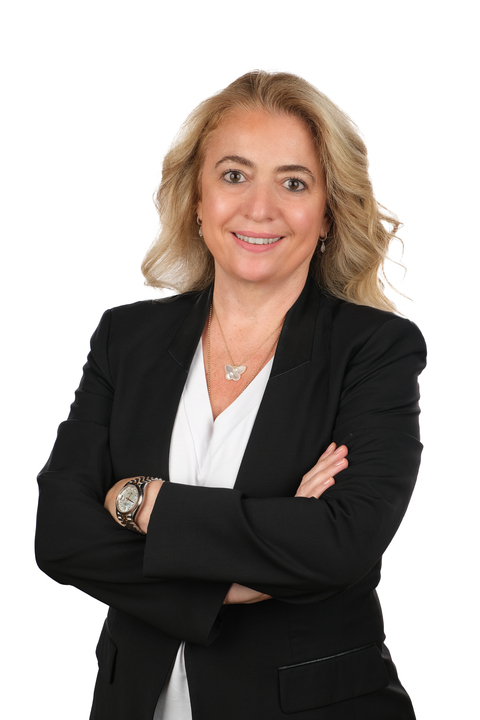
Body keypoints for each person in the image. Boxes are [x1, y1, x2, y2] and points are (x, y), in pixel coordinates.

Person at [35, 70, 426, 720]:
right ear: (197, 197)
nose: (259, 207)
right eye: (235, 175)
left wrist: (142, 501)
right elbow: (60, 533)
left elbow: (341, 542)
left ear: (328, 213)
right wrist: (240, 575)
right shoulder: (126, 339)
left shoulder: (375, 349)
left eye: (293, 183)